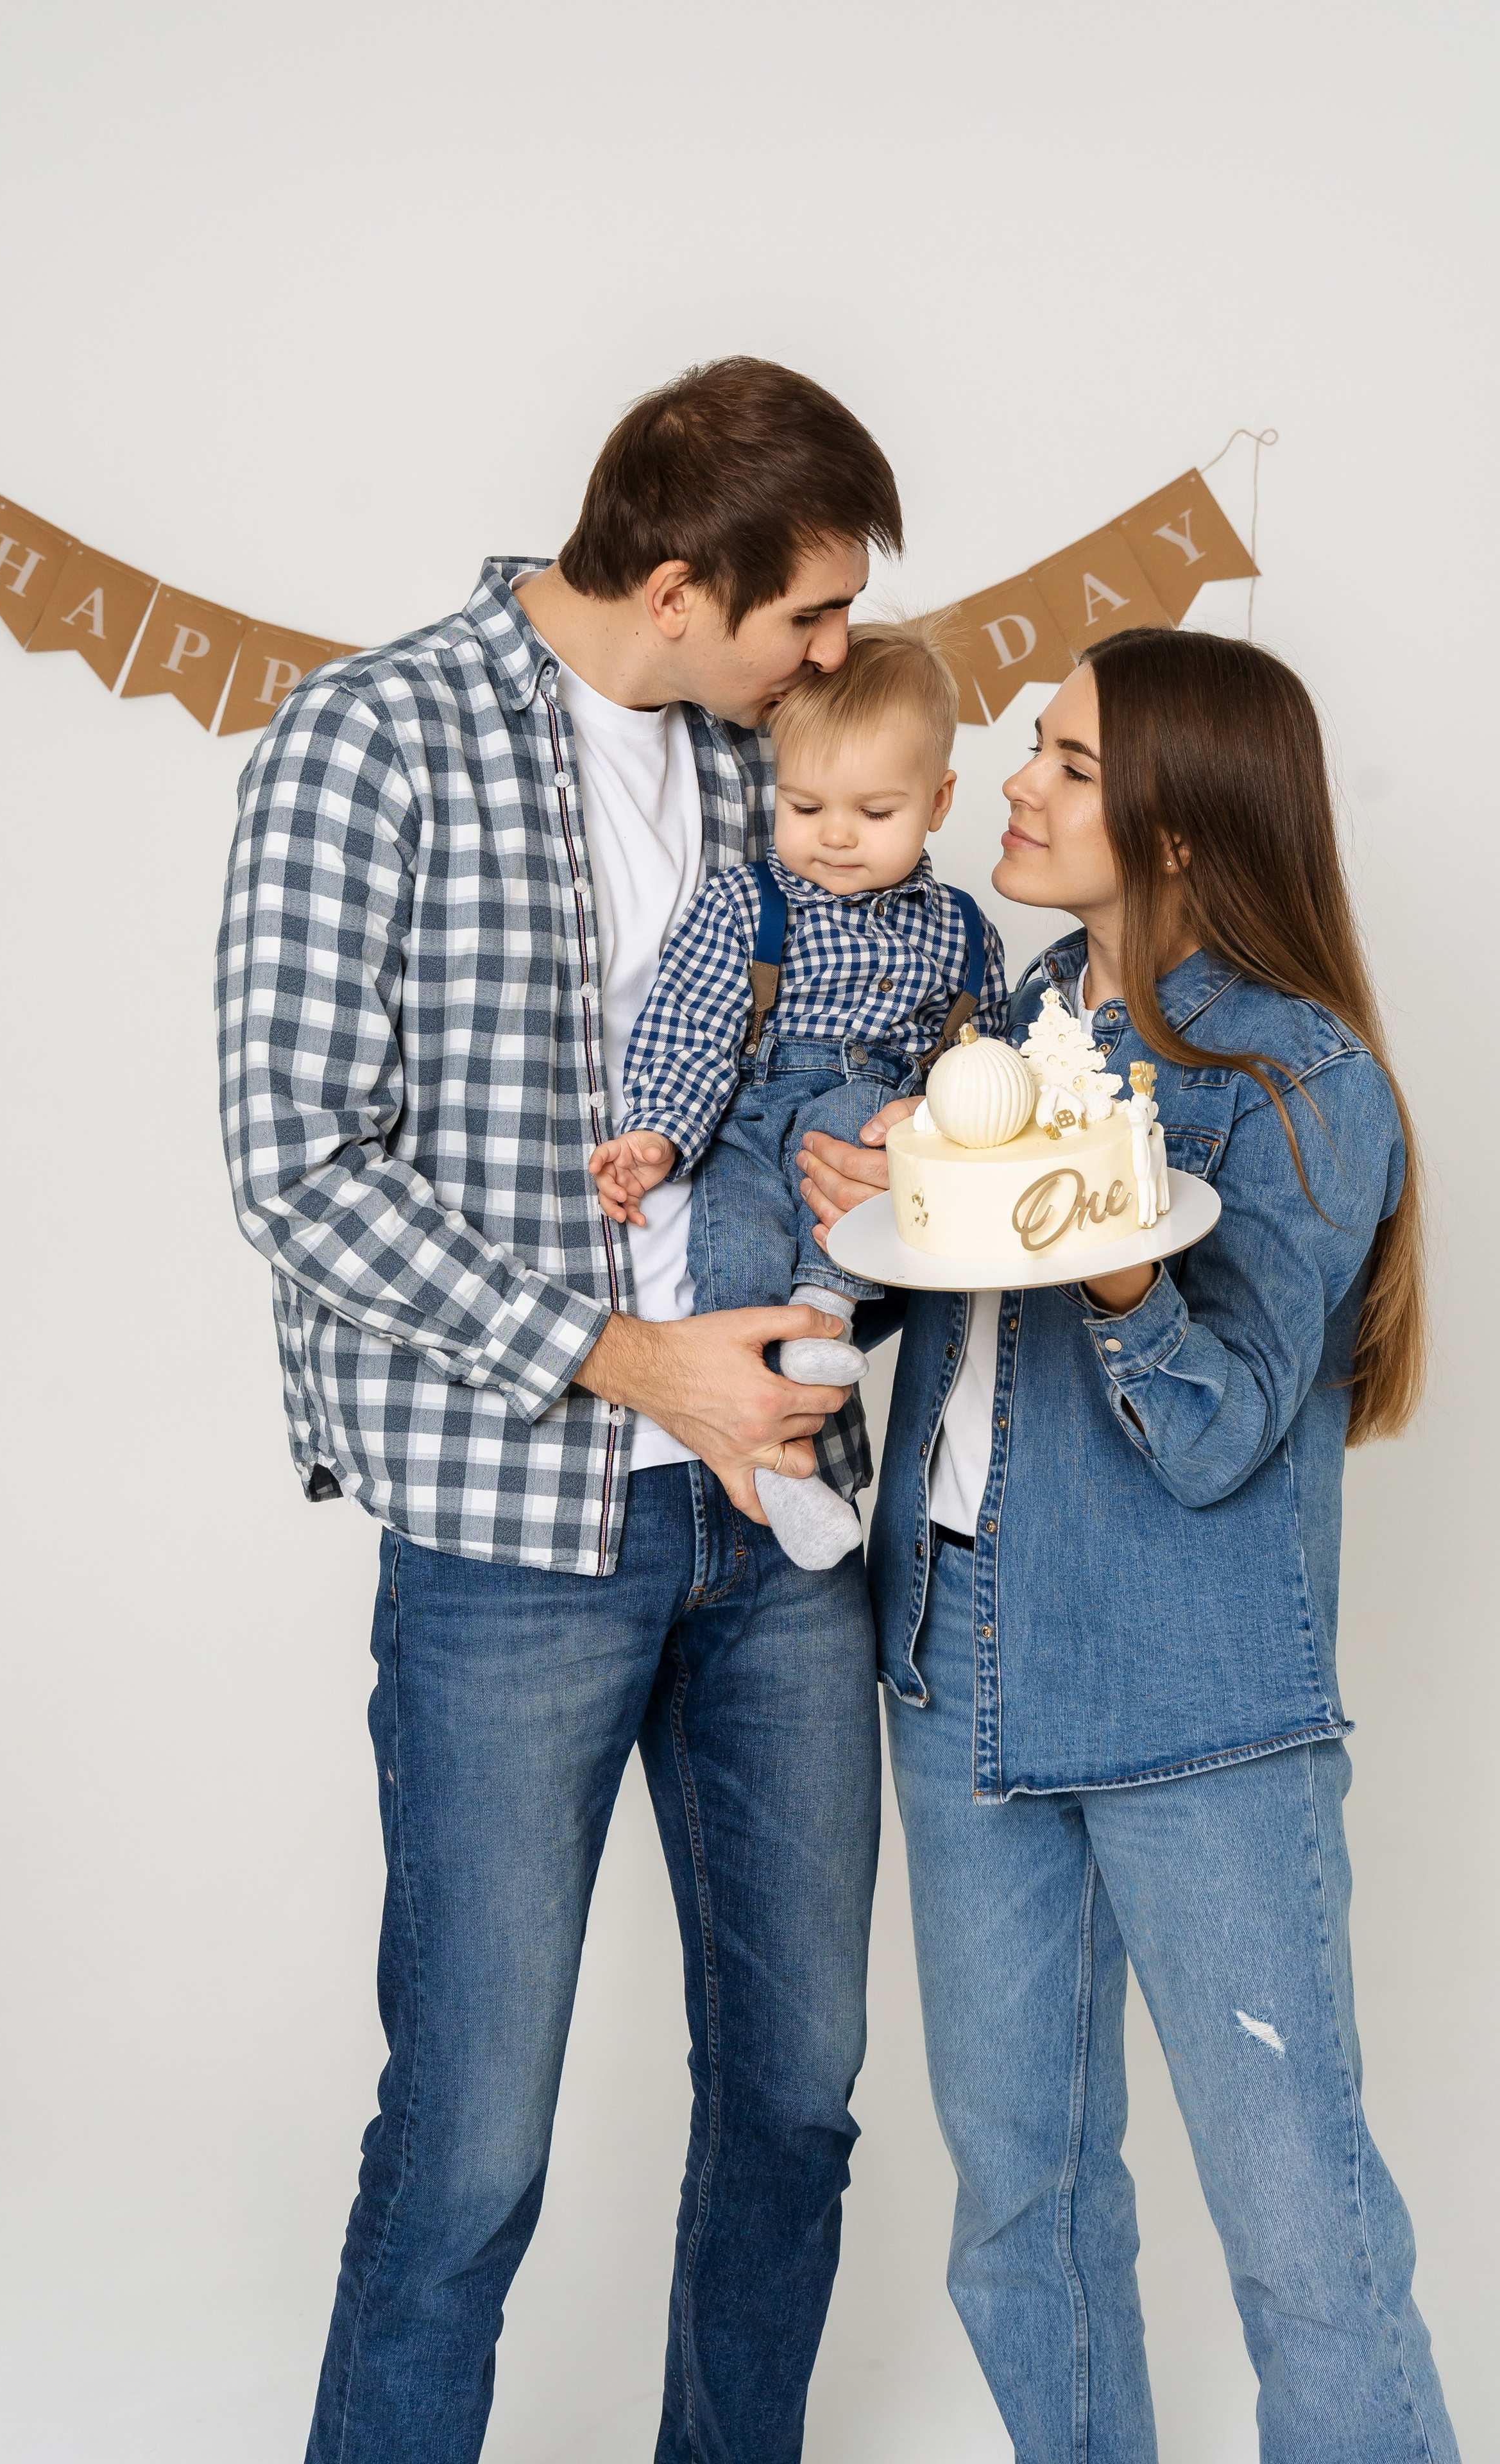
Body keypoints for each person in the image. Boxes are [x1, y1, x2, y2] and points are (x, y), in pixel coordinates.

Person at [216, 357, 904, 2464]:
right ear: (685, 587)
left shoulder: (750, 766)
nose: (839, 657)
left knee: (794, 2109)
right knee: (473, 2150)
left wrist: (865, 1145)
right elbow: (291, 1159)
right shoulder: (370, 738)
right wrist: (625, 1360)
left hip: (776, 1517)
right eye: (810, 617)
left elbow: (845, 1018)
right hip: (519, 1538)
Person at [799, 628, 1460, 2461]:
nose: (1014, 783)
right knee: (1022, 2214)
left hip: (1197, 1708)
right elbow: (923, 1324)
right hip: (951, 1674)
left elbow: (1216, 1430)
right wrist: (854, 1205)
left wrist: (1122, 1267)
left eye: (1073, 766)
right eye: (1039, 749)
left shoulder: (1293, 1077)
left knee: (1301, 2229)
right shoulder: (1009, 1023)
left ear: (1181, 826)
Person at [588, 620, 1005, 1570]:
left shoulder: (968, 935)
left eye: (874, 811)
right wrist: (656, 1136)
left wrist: (933, 1123)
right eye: (807, 806)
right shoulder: (745, 905)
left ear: (939, 802)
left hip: (865, 1128)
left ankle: (826, 1308)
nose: (837, 836)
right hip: (747, 1125)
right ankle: (781, 1465)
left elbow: (983, 1065)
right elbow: (689, 1032)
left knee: (851, 1134)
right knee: (731, 1253)